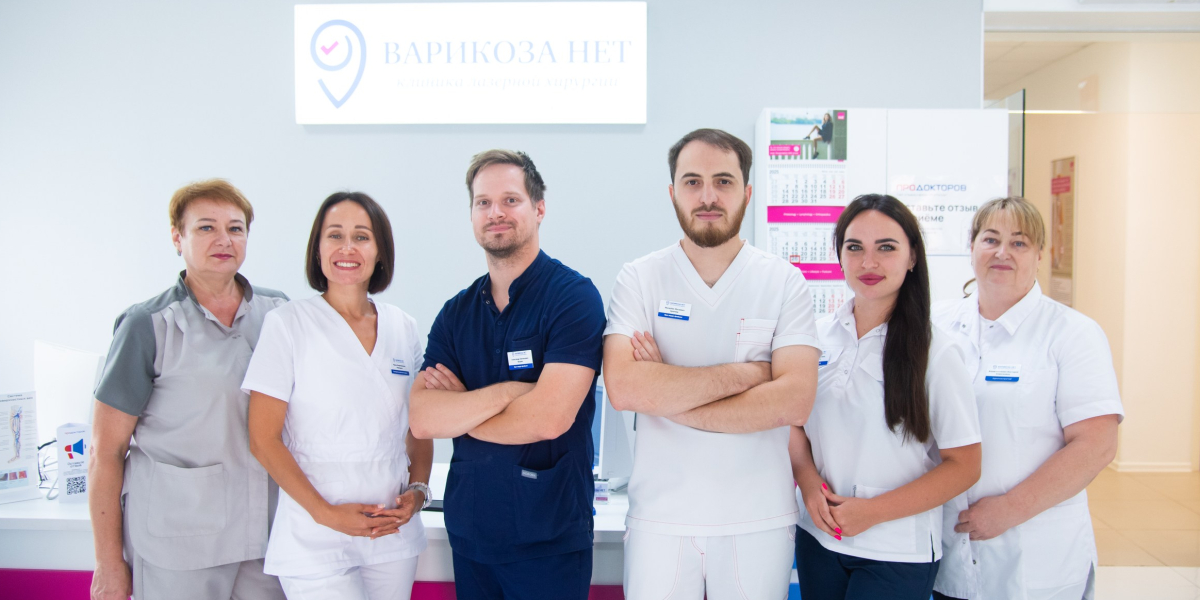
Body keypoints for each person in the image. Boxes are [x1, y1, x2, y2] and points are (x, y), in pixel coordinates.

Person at [602, 128, 820, 599]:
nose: (707, 197)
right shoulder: (640, 278)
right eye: (692, 182)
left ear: (747, 192)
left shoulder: (783, 282)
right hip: (660, 520)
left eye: (723, 181)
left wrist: (665, 394)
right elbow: (624, 388)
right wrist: (751, 376)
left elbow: (795, 401)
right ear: (672, 192)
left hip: (757, 520)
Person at [408, 150, 605, 600]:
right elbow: (423, 419)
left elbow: (549, 419)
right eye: (483, 202)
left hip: (549, 539)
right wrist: (512, 393)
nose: (495, 212)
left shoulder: (573, 298)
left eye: (510, 200)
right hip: (472, 536)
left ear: (539, 208)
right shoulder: (456, 313)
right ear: (472, 215)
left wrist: (461, 411)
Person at [89, 179, 288, 600]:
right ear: (177, 238)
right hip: (177, 546)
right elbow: (105, 452)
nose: (224, 239)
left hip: (267, 540)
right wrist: (108, 563)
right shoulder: (147, 325)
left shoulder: (279, 314)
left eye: (235, 228)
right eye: (206, 227)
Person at [789, 194, 982, 600]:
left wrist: (872, 513)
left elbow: (964, 466)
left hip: (895, 551)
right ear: (839, 256)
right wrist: (807, 482)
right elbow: (793, 424)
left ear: (912, 257)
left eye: (886, 248)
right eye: (854, 247)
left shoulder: (936, 352)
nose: (868, 263)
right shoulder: (816, 336)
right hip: (818, 538)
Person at [931, 196, 1123, 600]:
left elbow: (1096, 445)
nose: (1002, 252)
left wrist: (1010, 509)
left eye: (1019, 242)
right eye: (991, 239)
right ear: (971, 247)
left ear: (1039, 255)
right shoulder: (936, 325)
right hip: (949, 553)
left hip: (1034, 557)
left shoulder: (1073, 333)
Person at [244, 192, 431, 600]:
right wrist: (324, 513)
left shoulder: (403, 327)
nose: (347, 248)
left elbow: (419, 425)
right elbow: (262, 438)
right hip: (314, 532)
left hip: (390, 530)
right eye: (335, 236)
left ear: (380, 251)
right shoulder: (287, 324)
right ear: (318, 249)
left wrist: (418, 492)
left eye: (361, 237)